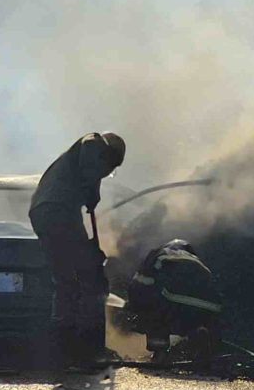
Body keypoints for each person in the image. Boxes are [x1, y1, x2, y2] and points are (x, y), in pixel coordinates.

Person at [29, 131, 126, 366]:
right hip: (57, 211)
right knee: (90, 276)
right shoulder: (93, 143)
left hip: (48, 212)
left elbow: (90, 173)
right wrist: (93, 191)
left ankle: (62, 346)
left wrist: (93, 194)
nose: (105, 173)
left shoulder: (85, 160)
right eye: (109, 167)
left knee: (66, 281)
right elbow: (91, 158)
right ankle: (87, 347)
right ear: (108, 156)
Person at [126, 239, 222, 367]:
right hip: (210, 306)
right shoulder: (197, 261)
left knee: (153, 305)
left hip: (174, 299)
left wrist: (135, 306)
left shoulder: (157, 254)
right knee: (191, 313)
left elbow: (139, 283)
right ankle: (198, 334)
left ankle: (160, 352)